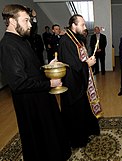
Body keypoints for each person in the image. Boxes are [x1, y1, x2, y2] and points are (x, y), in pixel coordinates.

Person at [0, 4, 71, 161]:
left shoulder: (21, 40)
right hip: (30, 103)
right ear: (12, 21)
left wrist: (48, 67)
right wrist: (50, 84)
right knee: (39, 136)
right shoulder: (8, 46)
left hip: (40, 97)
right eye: (26, 20)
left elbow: (31, 69)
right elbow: (18, 83)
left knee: (49, 131)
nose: (30, 24)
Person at [58, 14, 101, 149]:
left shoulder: (76, 39)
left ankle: (87, 131)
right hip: (72, 85)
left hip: (80, 82)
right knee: (74, 113)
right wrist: (87, 64)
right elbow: (72, 64)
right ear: (73, 25)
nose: (84, 27)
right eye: (82, 25)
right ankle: (77, 139)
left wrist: (87, 63)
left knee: (82, 109)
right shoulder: (66, 41)